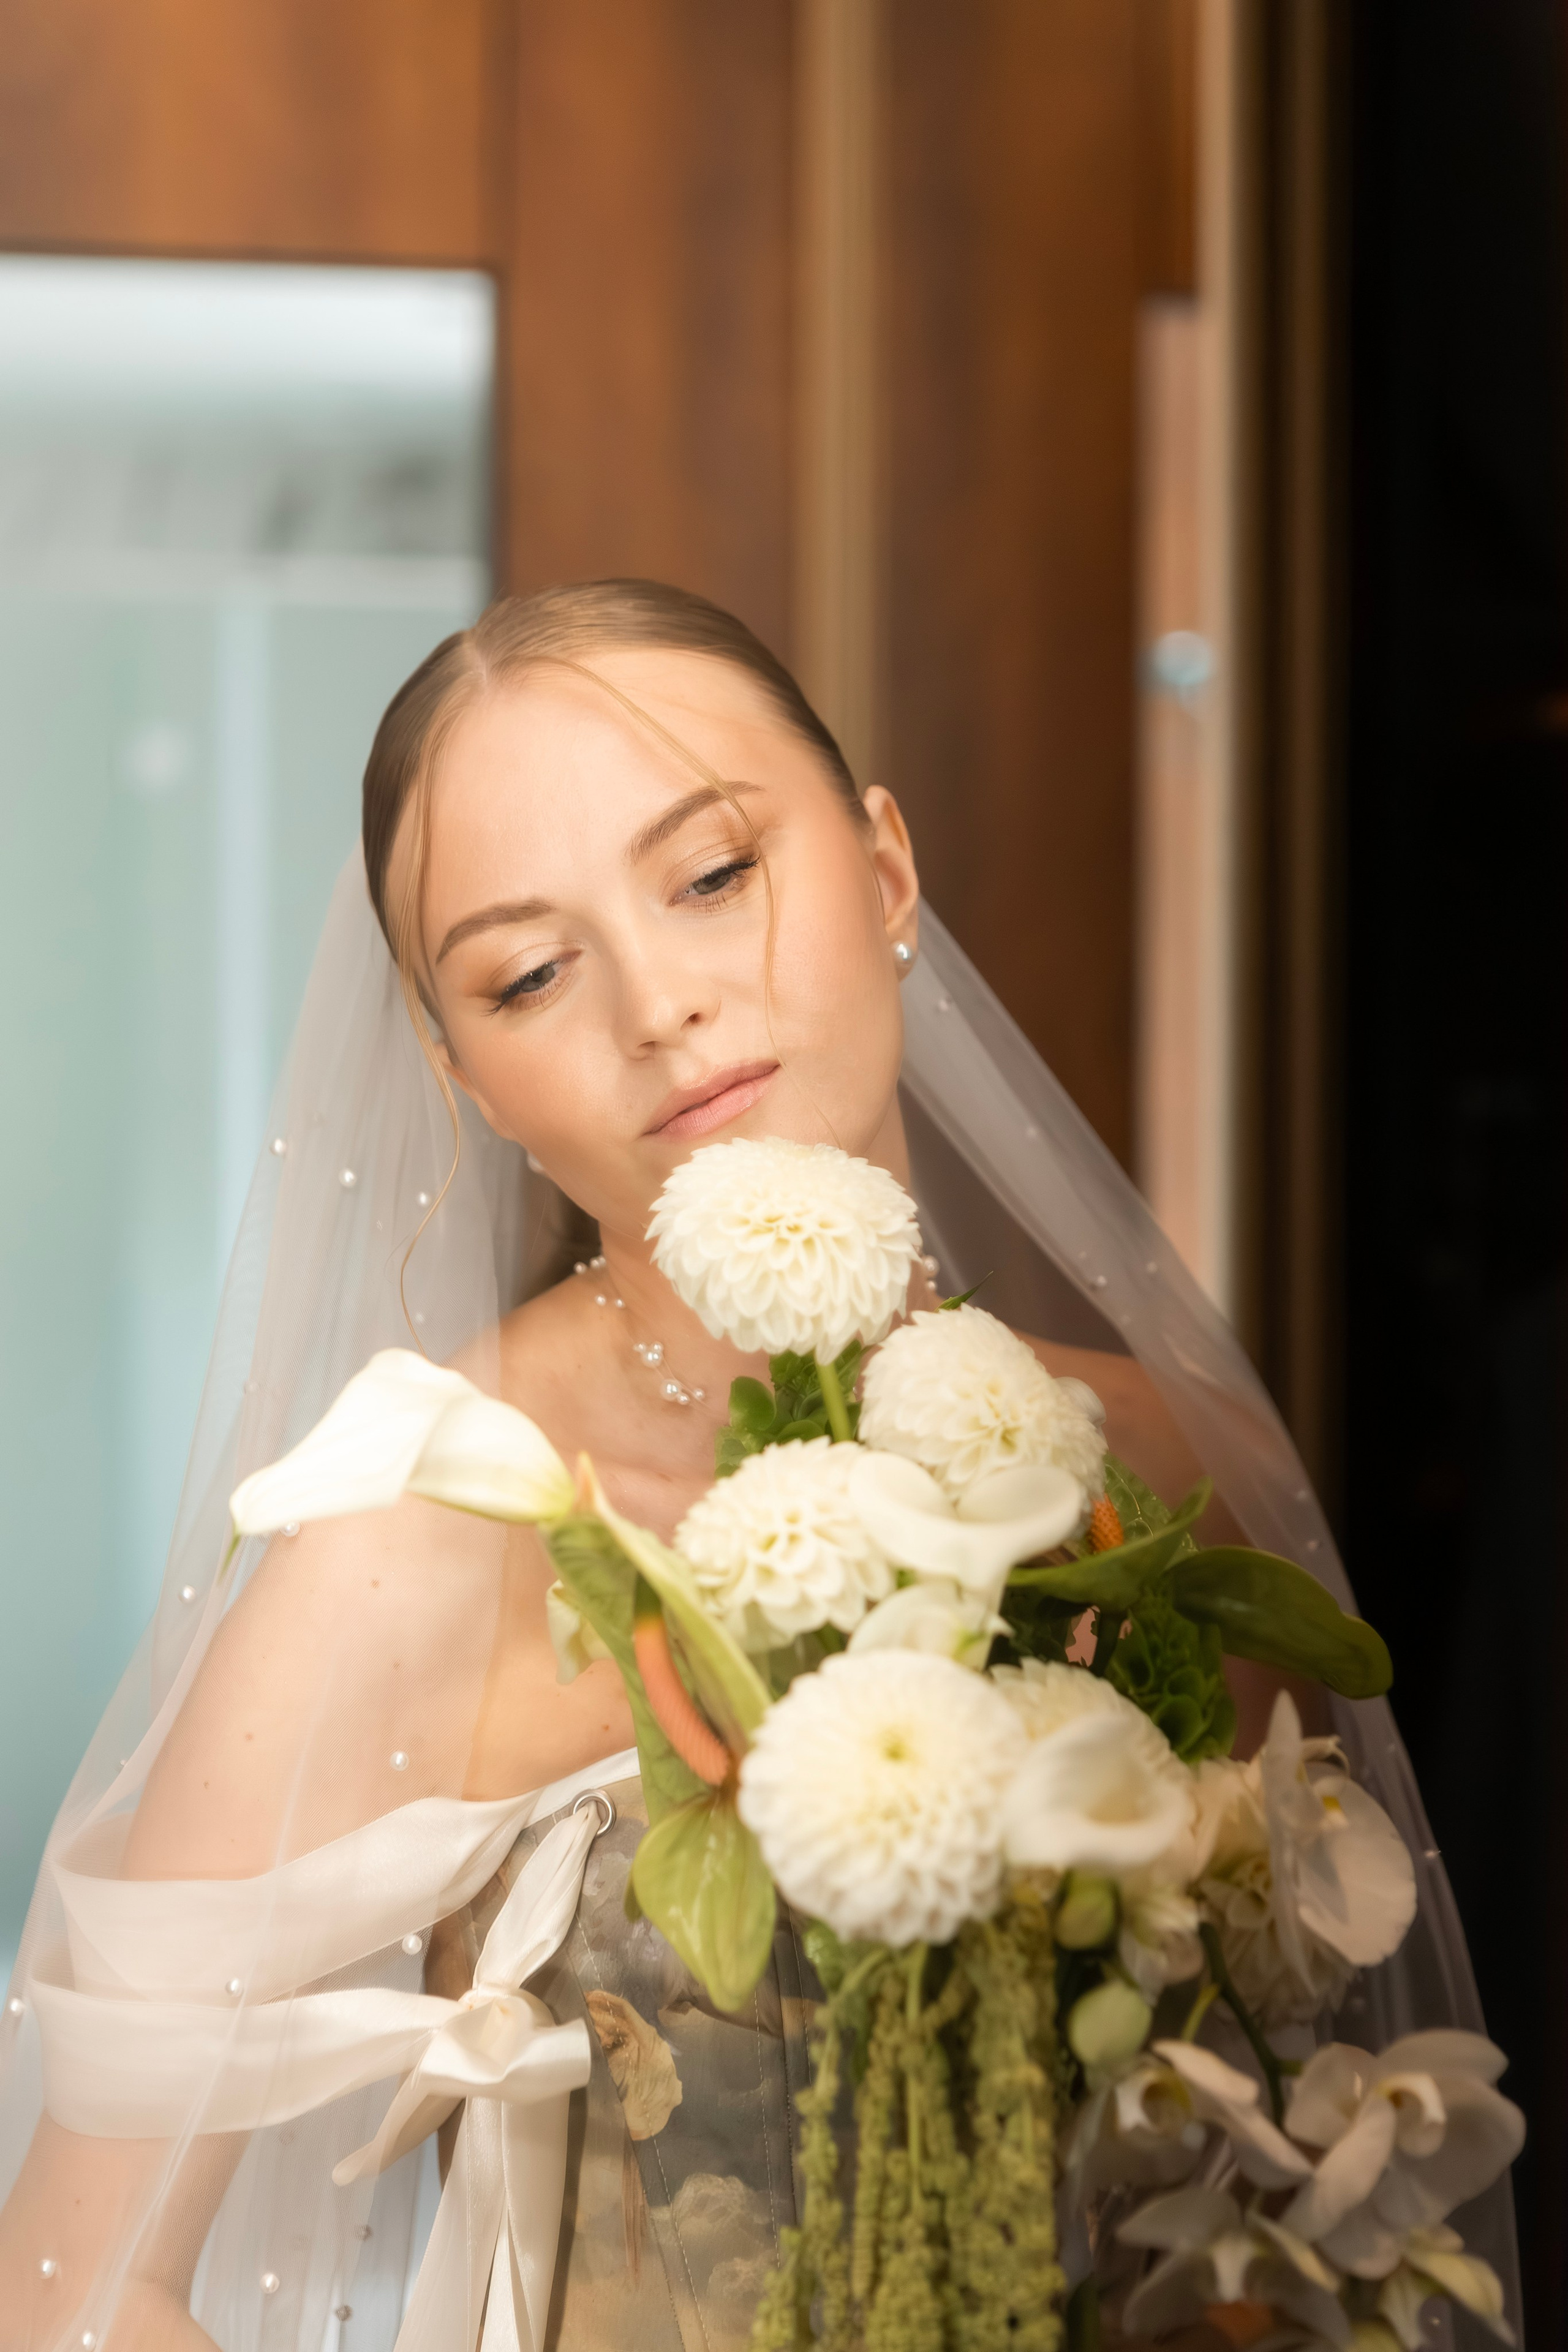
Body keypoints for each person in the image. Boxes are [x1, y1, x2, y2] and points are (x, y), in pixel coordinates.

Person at [0, 583, 1509, 2350]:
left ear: (882, 872)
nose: (661, 1005)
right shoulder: (427, 1531)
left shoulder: (1166, 1462)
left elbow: (1298, 2166)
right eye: (530, 974)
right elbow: (68, 2289)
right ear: (458, 1070)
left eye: (714, 875)